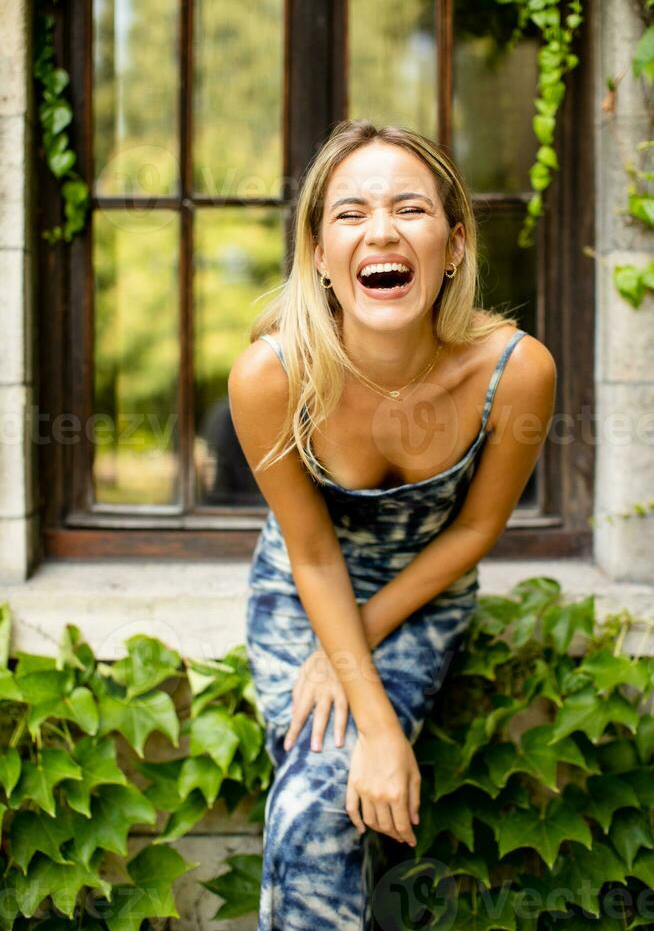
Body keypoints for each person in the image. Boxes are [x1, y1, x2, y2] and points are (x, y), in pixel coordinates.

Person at [227, 119, 556, 930]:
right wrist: (370, 719)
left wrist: (356, 653)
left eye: (410, 209)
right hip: (302, 590)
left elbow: (474, 533)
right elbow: (310, 549)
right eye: (350, 214)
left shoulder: (516, 372)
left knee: (321, 802)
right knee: (320, 799)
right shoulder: (272, 376)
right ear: (317, 253)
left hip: (430, 584)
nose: (382, 231)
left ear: (452, 243)